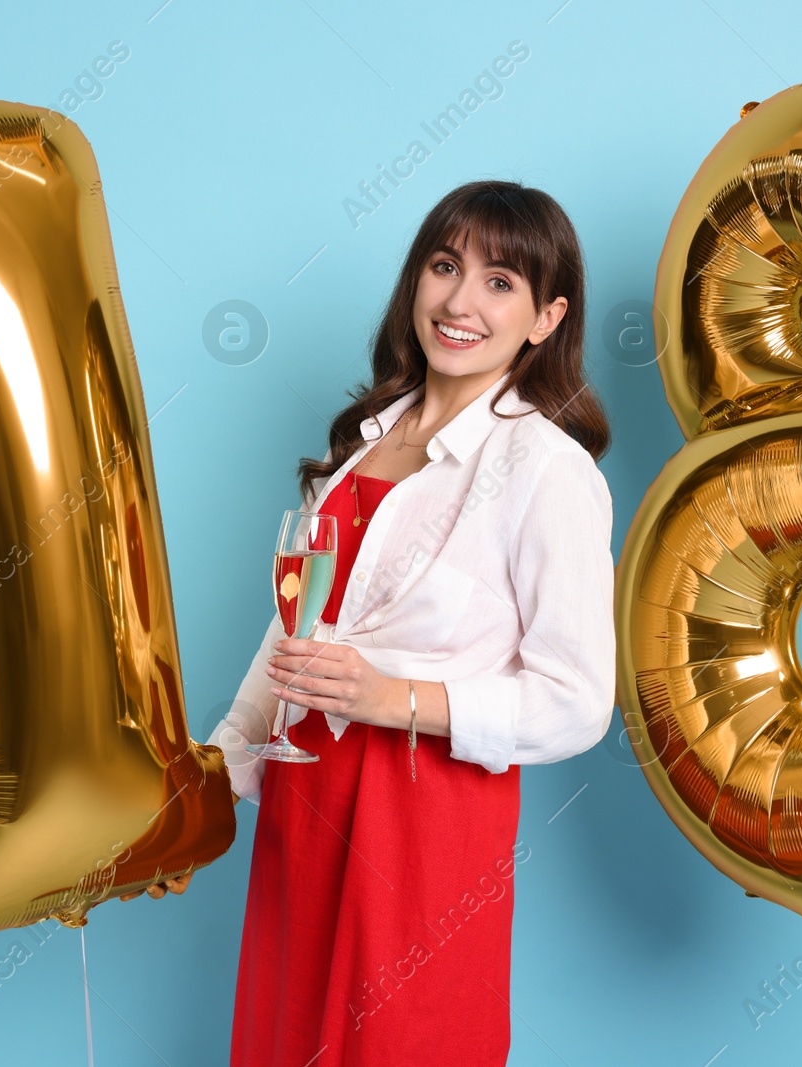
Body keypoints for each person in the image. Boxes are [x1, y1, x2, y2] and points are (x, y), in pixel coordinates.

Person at [133, 179, 615, 1066]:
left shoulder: (545, 470)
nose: (460, 301)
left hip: (424, 822)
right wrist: (198, 800)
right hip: (305, 800)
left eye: (500, 282)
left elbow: (578, 701)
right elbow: (290, 639)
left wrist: (395, 696)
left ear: (547, 318)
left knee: (402, 1042)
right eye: (444, 266)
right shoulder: (359, 443)